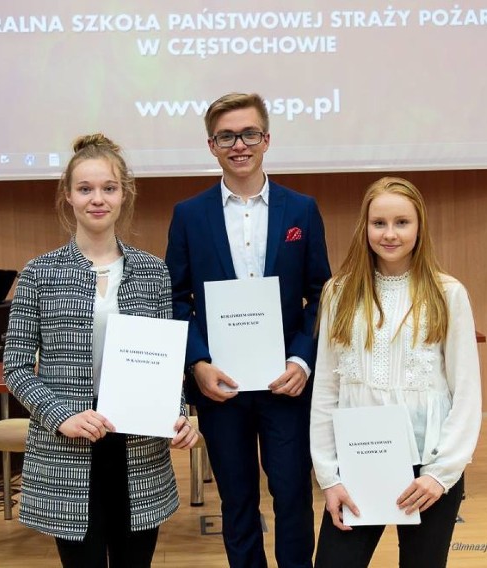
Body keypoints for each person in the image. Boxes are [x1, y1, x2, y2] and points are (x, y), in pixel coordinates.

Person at [3, 133, 199, 568]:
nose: (97, 199)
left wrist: (181, 414)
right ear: (67, 197)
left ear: (124, 195)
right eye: (85, 189)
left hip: (139, 448)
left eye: (108, 189)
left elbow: (168, 366)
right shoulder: (40, 273)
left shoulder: (153, 272)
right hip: (69, 446)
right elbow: (15, 367)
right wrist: (62, 417)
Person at [165, 92, 332, 568]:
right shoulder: (189, 214)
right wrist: (196, 363)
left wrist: (302, 359)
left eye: (249, 134)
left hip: (286, 382)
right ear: (211, 145)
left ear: (267, 140)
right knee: (237, 503)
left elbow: (322, 293)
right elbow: (175, 298)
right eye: (227, 136)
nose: (239, 145)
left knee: (293, 496)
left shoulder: (300, 210)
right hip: (221, 386)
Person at [310, 177, 482, 568]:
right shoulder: (338, 292)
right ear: (364, 227)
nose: (390, 234)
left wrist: (441, 474)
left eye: (402, 223)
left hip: (429, 466)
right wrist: (329, 476)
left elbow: (467, 393)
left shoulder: (447, 292)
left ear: (419, 227)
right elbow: (325, 390)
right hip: (359, 464)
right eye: (379, 223)